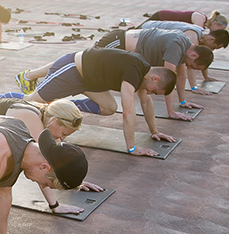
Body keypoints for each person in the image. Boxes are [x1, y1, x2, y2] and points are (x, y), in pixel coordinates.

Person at [0, 95, 105, 215]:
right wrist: (55, 205)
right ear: (54, 122)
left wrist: (72, 177)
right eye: (63, 133)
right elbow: (43, 165)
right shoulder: (31, 119)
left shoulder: (42, 113)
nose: (61, 139)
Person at [20, 47, 179, 158]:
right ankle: (0, 102)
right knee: (30, 101)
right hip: (72, 70)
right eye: (154, 90)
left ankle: (61, 106)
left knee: (109, 107)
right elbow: (127, 112)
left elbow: (147, 103)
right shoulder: (134, 72)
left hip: (91, 83)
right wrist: (132, 148)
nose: (150, 93)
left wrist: (155, 131)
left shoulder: (144, 74)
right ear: (155, 78)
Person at [90, 27, 214, 115]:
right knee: (92, 77)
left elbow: (180, 76)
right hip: (117, 42)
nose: (190, 68)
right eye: (192, 66)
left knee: (141, 90)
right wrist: (171, 112)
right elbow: (168, 80)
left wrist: (182, 101)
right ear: (194, 56)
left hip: (129, 55)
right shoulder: (176, 46)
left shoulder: (184, 47)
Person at [136, 20, 229, 85]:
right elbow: (187, 69)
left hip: (154, 32)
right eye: (214, 47)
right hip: (144, 29)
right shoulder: (192, 39)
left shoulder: (201, 37)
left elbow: (202, 60)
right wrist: (194, 87)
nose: (212, 50)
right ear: (211, 39)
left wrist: (206, 77)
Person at [142, 9, 228, 31]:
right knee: (137, 30)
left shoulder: (202, 22)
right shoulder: (200, 20)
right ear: (215, 23)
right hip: (163, 16)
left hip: (166, 20)